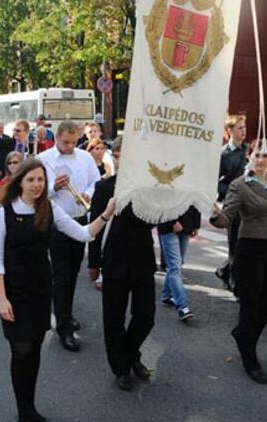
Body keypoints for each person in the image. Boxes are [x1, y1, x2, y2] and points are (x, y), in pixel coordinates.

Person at [0, 158, 115, 421]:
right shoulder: (4, 212)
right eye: (31, 180)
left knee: (34, 348)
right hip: (13, 291)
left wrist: (106, 214)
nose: (36, 185)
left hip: (40, 289)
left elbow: (84, 233)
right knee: (20, 350)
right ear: (20, 182)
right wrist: (2, 299)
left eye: (40, 180)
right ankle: (23, 409)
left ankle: (29, 405)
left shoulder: (50, 208)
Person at [210, 139, 267, 384]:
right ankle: (250, 359)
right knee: (250, 307)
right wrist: (213, 212)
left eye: (265, 155)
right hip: (249, 250)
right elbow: (227, 217)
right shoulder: (240, 185)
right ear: (249, 157)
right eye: (257, 155)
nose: (261, 160)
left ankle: (243, 337)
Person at [88, 138, 156, 391]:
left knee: (146, 316)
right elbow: (96, 225)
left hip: (142, 261)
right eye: (117, 156)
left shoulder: (149, 187)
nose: (121, 160)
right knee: (113, 319)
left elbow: (152, 221)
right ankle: (121, 367)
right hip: (114, 262)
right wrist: (93, 263)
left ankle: (131, 353)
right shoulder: (104, 187)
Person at [37, 120, 100, 352]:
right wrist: (55, 187)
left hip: (80, 218)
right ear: (57, 139)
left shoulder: (84, 157)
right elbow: (37, 191)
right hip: (56, 222)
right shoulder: (44, 159)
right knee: (61, 275)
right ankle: (64, 328)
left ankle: (66, 312)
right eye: (65, 142)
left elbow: (96, 181)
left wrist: (88, 193)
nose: (70, 146)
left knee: (73, 272)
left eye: (74, 142)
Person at [215, 115, 248, 294]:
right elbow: (215, 182)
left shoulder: (249, 150)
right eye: (239, 128)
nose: (243, 131)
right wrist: (232, 192)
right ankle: (237, 287)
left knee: (246, 246)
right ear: (229, 132)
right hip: (233, 206)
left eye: (244, 127)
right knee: (235, 246)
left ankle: (224, 270)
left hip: (250, 205)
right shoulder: (223, 154)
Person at [157, 205, 201, 321]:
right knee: (175, 266)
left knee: (176, 265)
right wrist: (173, 221)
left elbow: (196, 198)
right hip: (168, 225)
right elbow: (162, 200)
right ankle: (182, 306)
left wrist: (196, 224)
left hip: (186, 224)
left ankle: (166, 295)